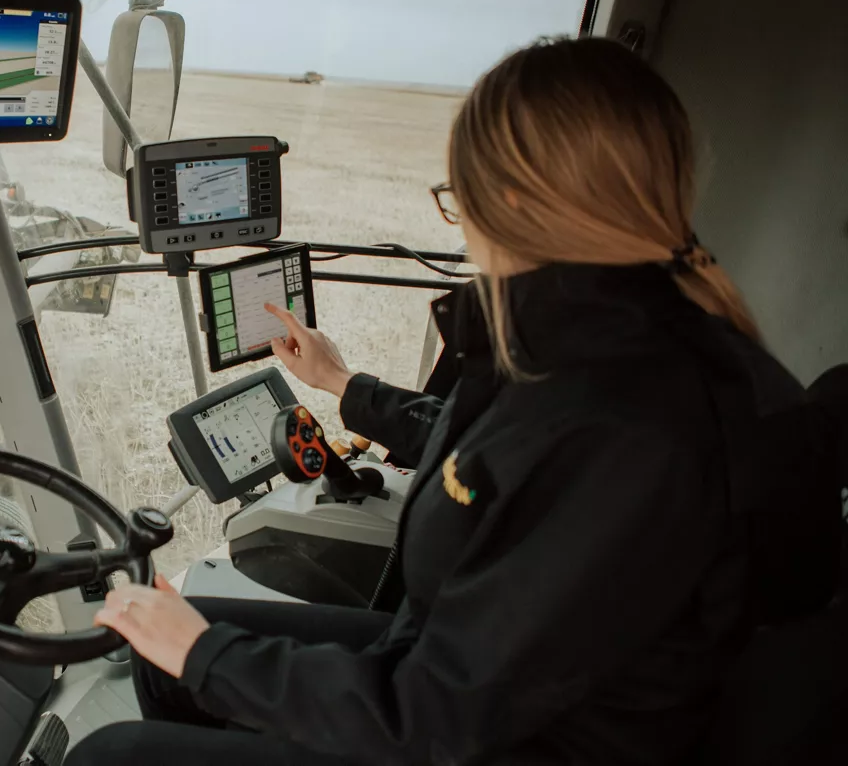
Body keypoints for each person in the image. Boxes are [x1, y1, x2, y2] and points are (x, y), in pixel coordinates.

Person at [64, 37, 840, 766]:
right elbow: (502, 456)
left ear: (506, 199)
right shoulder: (620, 338)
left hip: (497, 733)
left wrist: (204, 653)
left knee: (112, 752)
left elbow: (436, 716)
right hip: (468, 673)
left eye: (454, 195)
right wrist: (345, 387)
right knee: (167, 654)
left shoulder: (637, 425)